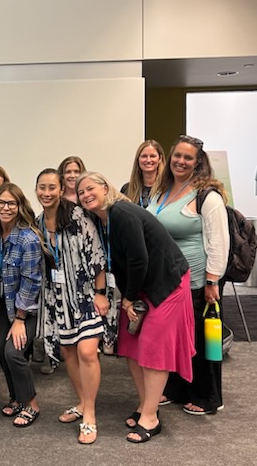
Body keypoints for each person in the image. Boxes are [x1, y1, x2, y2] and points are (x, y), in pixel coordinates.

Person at [77, 171, 195, 443]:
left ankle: (151, 418)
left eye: (90, 188)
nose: (85, 195)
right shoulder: (102, 220)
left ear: (105, 187)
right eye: (81, 192)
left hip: (166, 284)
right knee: (130, 345)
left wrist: (128, 298)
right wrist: (130, 296)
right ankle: (145, 405)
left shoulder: (122, 213)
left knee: (153, 348)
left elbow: (139, 259)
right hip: (141, 286)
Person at [149, 135, 228, 416]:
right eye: (177, 156)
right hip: (167, 282)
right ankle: (177, 389)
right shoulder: (162, 190)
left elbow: (219, 241)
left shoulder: (207, 196)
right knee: (175, 339)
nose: (181, 161)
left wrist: (212, 280)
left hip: (196, 282)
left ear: (198, 162)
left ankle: (207, 397)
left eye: (188, 157)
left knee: (200, 341)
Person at [35, 169, 109, 444]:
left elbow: (97, 254)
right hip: (58, 297)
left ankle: (89, 414)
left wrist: (100, 293)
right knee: (68, 351)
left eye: (51, 187)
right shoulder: (38, 221)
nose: (46, 192)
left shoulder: (78, 216)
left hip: (86, 294)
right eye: (42, 187)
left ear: (60, 189)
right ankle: (82, 401)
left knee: (87, 351)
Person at [0, 183, 44, 427]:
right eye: (1, 202)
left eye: (12, 203)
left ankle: (31, 403)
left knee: (13, 352)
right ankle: (16, 398)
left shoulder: (27, 238)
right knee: (0, 349)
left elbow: (32, 281)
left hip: (25, 307)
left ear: (20, 206)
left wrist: (20, 319)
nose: (6, 208)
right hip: (4, 302)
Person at [121, 140, 166, 208]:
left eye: (152, 156)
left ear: (160, 159)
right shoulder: (127, 189)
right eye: (144, 156)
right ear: (138, 159)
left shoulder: (167, 188)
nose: (148, 160)